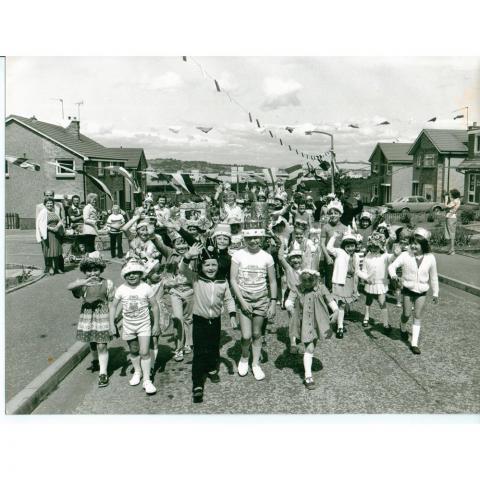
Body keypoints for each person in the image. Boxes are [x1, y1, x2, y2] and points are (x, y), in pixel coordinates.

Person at [179, 244, 237, 403]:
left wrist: (232, 315)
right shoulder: (196, 278)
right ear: (201, 266)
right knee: (199, 352)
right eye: (207, 264)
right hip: (199, 320)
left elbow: (229, 299)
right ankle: (197, 384)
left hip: (216, 320)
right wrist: (188, 256)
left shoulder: (222, 282)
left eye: (213, 264)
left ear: (218, 266)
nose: (210, 268)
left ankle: (212, 369)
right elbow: (182, 269)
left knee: (213, 346)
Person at [230, 227, 277, 381]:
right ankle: (244, 357)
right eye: (249, 238)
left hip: (261, 298)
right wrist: (242, 302)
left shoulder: (267, 257)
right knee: (246, 335)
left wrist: (273, 303)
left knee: (257, 334)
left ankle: (255, 364)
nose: (253, 241)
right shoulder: (238, 255)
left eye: (256, 238)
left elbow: (272, 281)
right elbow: (233, 280)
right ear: (244, 239)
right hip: (244, 298)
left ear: (262, 239)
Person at [109, 260, 159, 395]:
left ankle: (147, 380)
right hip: (129, 325)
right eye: (128, 274)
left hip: (144, 324)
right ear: (124, 276)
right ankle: (137, 371)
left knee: (144, 352)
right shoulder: (121, 289)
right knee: (134, 350)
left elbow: (154, 306)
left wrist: (156, 324)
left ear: (140, 274)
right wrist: (111, 324)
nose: (131, 276)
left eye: (135, 273)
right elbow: (113, 306)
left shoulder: (146, 287)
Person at [388, 227, 439, 355]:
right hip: (407, 289)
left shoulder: (430, 258)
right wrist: (394, 275)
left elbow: (434, 277)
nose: (413, 246)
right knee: (406, 314)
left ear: (424, 245)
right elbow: (392, 266)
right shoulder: (405, 255)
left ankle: (414, 343)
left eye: (417, 244)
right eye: (412, 243)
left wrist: (435, 293)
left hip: (421, 291)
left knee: (417, 315)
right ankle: (402, 326)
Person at [67, 253, 115, 387]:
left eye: (95, 270)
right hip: (88, 316)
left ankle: (103, 373)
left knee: (102, 344)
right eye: (89, 270)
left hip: (103, 316)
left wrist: (112, 322)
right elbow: (69, 287)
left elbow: (112, 303)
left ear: (100, 269)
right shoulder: (82, 284)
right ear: (84, 271)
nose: (93, 273)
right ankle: (95, 360)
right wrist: (84, 282)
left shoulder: (108, 283)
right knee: (92, 341)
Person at [285, 270, 338, 390]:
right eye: (304, 280)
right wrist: (289, 306)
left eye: (310, 280)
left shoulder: (321, 288)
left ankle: (307, 362)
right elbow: (289, 300)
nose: (307, 283)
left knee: (313, 343)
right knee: (310, 347)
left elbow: (330, 300)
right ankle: (308, 376)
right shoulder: (297, 288)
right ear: (301, 279)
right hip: (303, 322)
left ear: (315, 279)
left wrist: (336, 310)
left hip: (317, 321)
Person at [358, 232, 400, 333]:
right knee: (369, 300)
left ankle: (385, 324)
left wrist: (396, 253)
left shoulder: (385, 256)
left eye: (376, 247)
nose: (373, 249)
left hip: (381, 283)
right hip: (370, 282)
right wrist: (366, 278)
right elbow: (363, 270)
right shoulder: (367, 256)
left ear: (381, 246)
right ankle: (366, 316)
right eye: (372, 246)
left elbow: (392, 258)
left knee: (382, 302)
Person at [327, 228, 360, 339]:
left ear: (355, 246)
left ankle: (336, 320)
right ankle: (340, 326)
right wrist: (334, 236)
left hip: (350, 282)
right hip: (340, 281)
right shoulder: (340, 252)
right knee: (340, 304)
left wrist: (367, 277)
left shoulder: (356, 256)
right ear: (344, 247)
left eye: (352, 246)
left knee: (343, 305)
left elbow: (357, 271)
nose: (350, 248)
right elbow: (329, 248)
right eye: (348, 246)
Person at [278, 245, 303, 353]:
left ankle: (301, 335)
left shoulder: (305, 269)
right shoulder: (288, 269)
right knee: (293, 318)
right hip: (291, 295)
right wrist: (281, 244)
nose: (296, 260)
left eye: (298, 257)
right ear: (289, 260)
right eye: (293, 258)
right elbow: (280, 257)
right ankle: (292, 342)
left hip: (303, 295)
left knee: (303, 317)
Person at [320, 200, 348, 290]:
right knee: (330, 279)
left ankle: (339, 297)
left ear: (340, 214)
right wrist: (327, 257)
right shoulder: (325, 227)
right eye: (331, 213)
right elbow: (322, 244)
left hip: (340, 257)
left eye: (336, 213)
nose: (333, 215)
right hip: (329, 257)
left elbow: (346, 244)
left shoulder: (345, 228)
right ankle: (330, 298)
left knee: (340, 277)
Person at [36, 198, 65, 275]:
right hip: (48, 234)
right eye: (48, 203)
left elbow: (60, 220)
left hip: (56, 234)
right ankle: (51, 268)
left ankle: (57, 267)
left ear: (53, 204)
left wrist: (57, 227)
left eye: (51, 203)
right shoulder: (43, 212)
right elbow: (41, 225)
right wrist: (51, 228)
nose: (49, 205)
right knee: (49, 252)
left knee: (56, 251)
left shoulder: (54, 212)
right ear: (45, 204)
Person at [444, 188, 461, 255]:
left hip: (450, 217)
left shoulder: (454, 201)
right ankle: (451, 249)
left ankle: (452, 249)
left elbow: (446, 206)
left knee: (450, 233)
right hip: (454, 217)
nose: (449, 195)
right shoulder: (457, 200)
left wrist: (445, 200)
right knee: (452, 233)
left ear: (453, 195)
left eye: (450, 194)